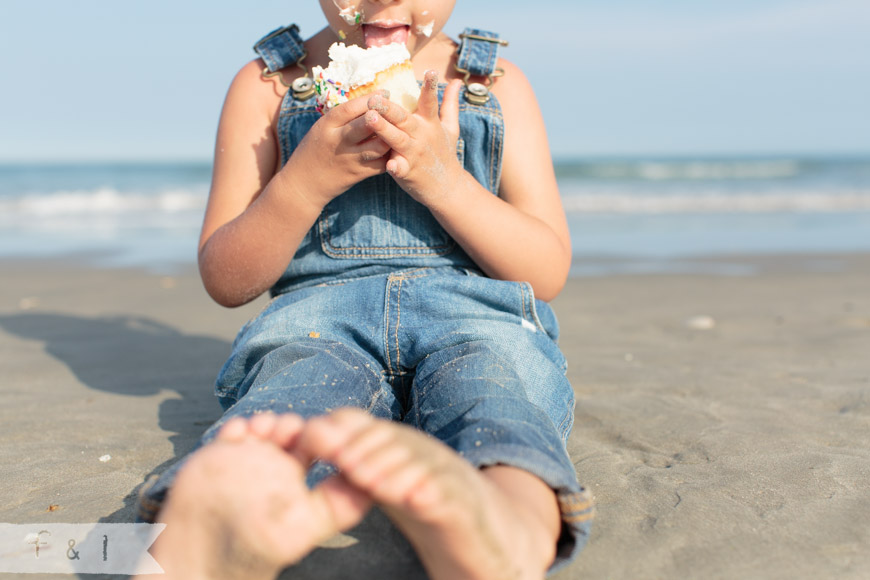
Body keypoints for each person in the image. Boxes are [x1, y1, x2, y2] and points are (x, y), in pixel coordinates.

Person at [136, 0, 593, 578]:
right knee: (291, 403)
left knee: (496, 399)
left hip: (477, 320)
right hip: (318, 325)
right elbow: (227, 279)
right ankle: (224, 521)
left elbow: (545, 269)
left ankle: (507, 527)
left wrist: (445, 181)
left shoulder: (491, 83)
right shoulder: (272, 85)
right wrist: (304, 183)